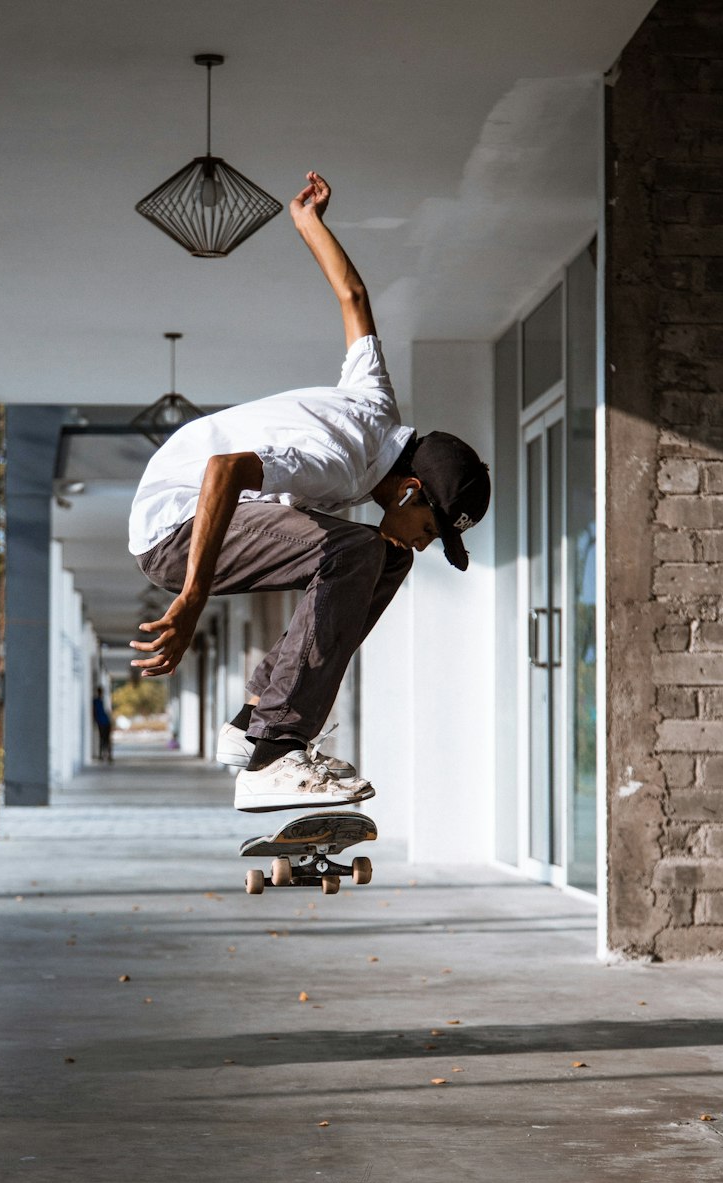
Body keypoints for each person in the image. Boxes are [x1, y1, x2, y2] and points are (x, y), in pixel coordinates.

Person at [128, 171, 490, 812]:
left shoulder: (375, 404)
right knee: (355, 552)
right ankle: (276, 749)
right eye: (431, 529)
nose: (426, 543)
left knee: (385, 557)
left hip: (208, 515)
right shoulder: (337, 459)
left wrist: (308, 223)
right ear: (409, 492)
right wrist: (190, 598)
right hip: (175, 526)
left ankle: (252, 722)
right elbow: (223, 470)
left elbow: (354, 298)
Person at [92, 686, 113, 763]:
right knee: (102, 739)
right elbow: (94, 712)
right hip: (101, 722)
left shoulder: (104, 700)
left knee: (107, 739)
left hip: (106, 722)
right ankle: (102, 755)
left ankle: (109, 755)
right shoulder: (96, 701)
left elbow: (108, 711)